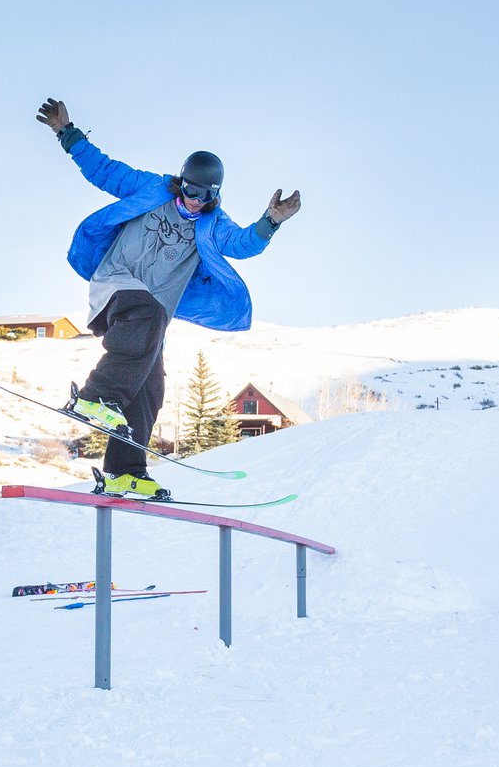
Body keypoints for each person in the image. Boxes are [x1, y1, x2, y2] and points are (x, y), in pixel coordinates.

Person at [36, 96, 301, 499]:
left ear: (214, 195)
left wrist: (270, 223)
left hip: (149, 317)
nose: (193, 200)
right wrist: (66, 132)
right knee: (148, 316)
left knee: (150, 386)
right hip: (116, 286)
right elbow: (103, 170)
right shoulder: (150, 187)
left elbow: (243, 244)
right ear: (181, 182)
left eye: (203, 195)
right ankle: (97, 396)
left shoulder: (214, 224)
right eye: (189, 190)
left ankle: (124, 471)